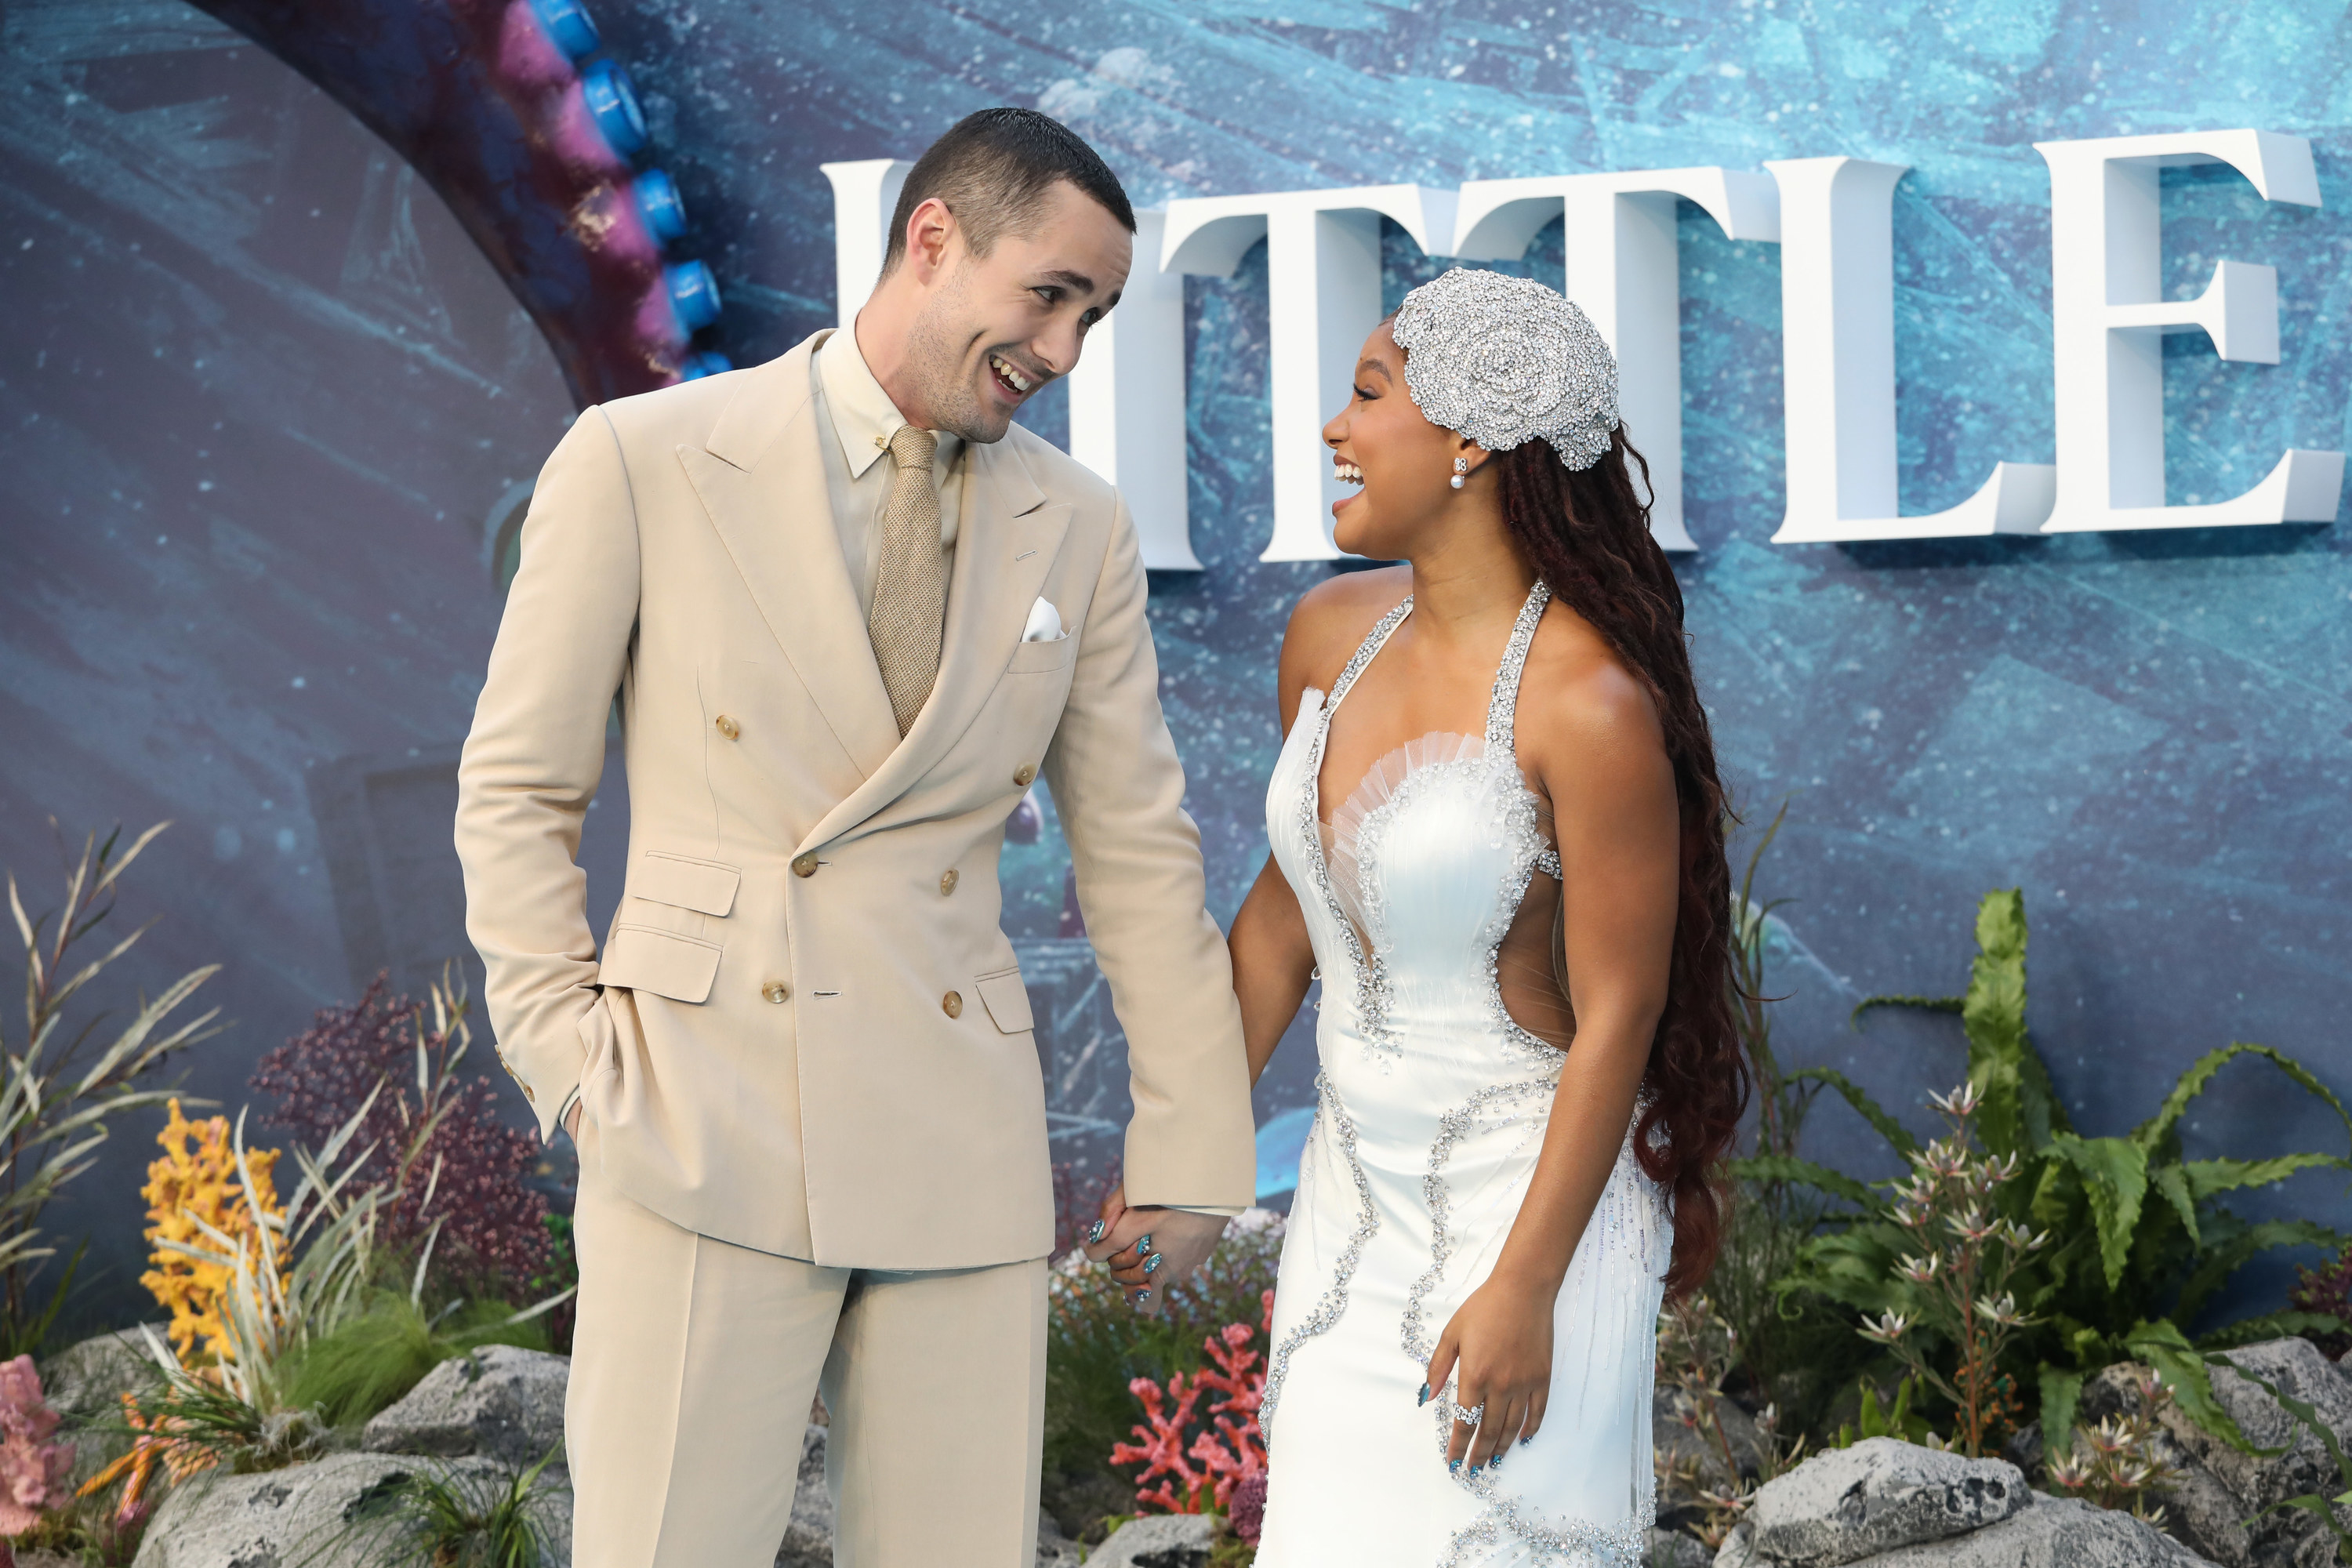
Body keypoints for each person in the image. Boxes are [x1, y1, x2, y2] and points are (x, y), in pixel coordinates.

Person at [453, 108, 1254, 1568]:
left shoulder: (1078, 527)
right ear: (933, 237)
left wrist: (1194, 1146)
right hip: (697, 1107)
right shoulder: (644, 456)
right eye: (1051, 295)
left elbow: (1139, 850)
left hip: (957, 1129)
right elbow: (518, 789)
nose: (1067, 352)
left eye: (1098, 313)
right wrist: (571, 1064)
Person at [1204, 267, 1748, 1564]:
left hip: (1530, 1210)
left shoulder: (1593, 704)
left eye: (1367, 393)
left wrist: (1526, 1287)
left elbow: (1624, 1011)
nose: (1335, 428)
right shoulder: (1325, 636)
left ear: (1468, 443)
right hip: (1349, 1206)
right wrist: (1184, 1146)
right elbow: (1285, 922)